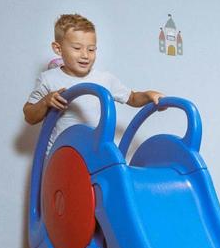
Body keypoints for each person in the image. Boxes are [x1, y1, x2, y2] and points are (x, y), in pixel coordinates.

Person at [23, 13, 163, 147]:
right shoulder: (49, 79)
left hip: (92, 156)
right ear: (58, 49)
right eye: (77, 48)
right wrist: (46, 102)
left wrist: (148, 95)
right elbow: (29, 116)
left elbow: (132, 98)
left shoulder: (104, 79)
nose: (85, 55)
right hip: (61, 158)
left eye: (91, 49)